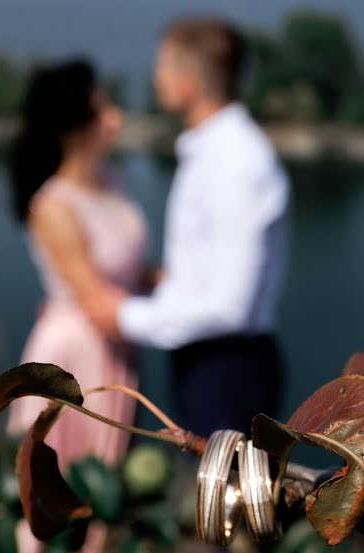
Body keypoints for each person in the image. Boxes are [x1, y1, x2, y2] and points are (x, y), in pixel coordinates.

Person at [0, 59, 148, 553]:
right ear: (74, 125)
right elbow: (95, 299)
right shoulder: (52, 205)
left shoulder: (111, 182)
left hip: (115, 345)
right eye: (104, 108)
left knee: (96, 487)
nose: (116, 118)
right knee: (57, 482)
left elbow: (137, 275)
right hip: (73, 354)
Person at [93, 18, 289, 438]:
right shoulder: (213, 151)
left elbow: (229, 306)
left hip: (228, 366)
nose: (154, 77)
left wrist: (122, 316)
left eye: (162, 67)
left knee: (228, 497)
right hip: (211, 356)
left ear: (188, 83)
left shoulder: (236, 160)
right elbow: (212, 268)